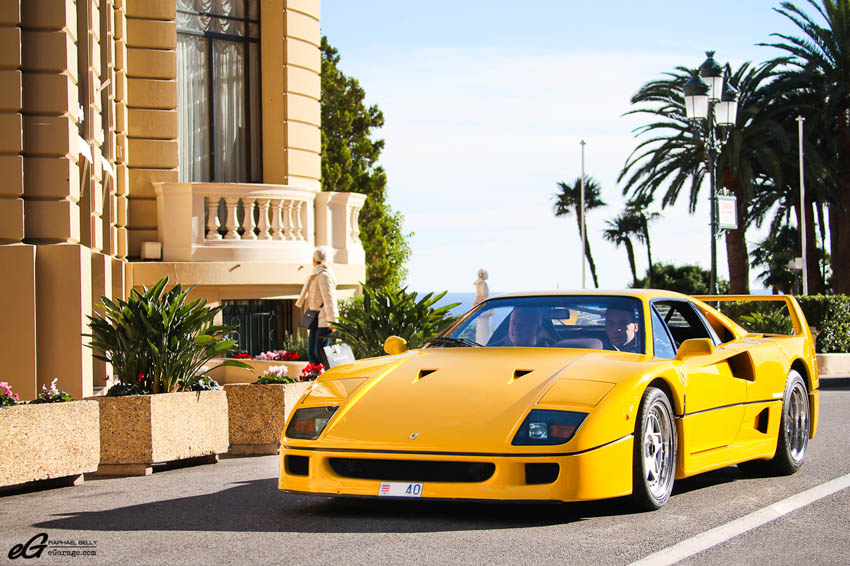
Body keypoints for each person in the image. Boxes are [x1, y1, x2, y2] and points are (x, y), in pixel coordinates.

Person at [295, 247, 339, 365]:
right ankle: (314, 375)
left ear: (314, 260)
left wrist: (332, 322)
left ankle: (326, 376)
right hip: (314, 319)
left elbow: (329, 300)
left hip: (324, 321)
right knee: (311, 353)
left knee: (320, 353)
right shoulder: (315, 275)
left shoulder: (324, 276)